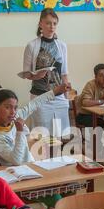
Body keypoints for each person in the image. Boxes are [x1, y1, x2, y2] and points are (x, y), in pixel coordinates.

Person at [23, 8, 71, 137]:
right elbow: (26, 74)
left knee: (61, 135)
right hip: (40, 97)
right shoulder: (32, 46)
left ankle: (60, 157)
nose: (52, 26)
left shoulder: (62, 45)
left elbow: (64, 73)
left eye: (55, 23)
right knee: (41, 136)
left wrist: (67, 98)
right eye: (48, 23)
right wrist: (36, 75)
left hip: (59, 96)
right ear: (40, 24)